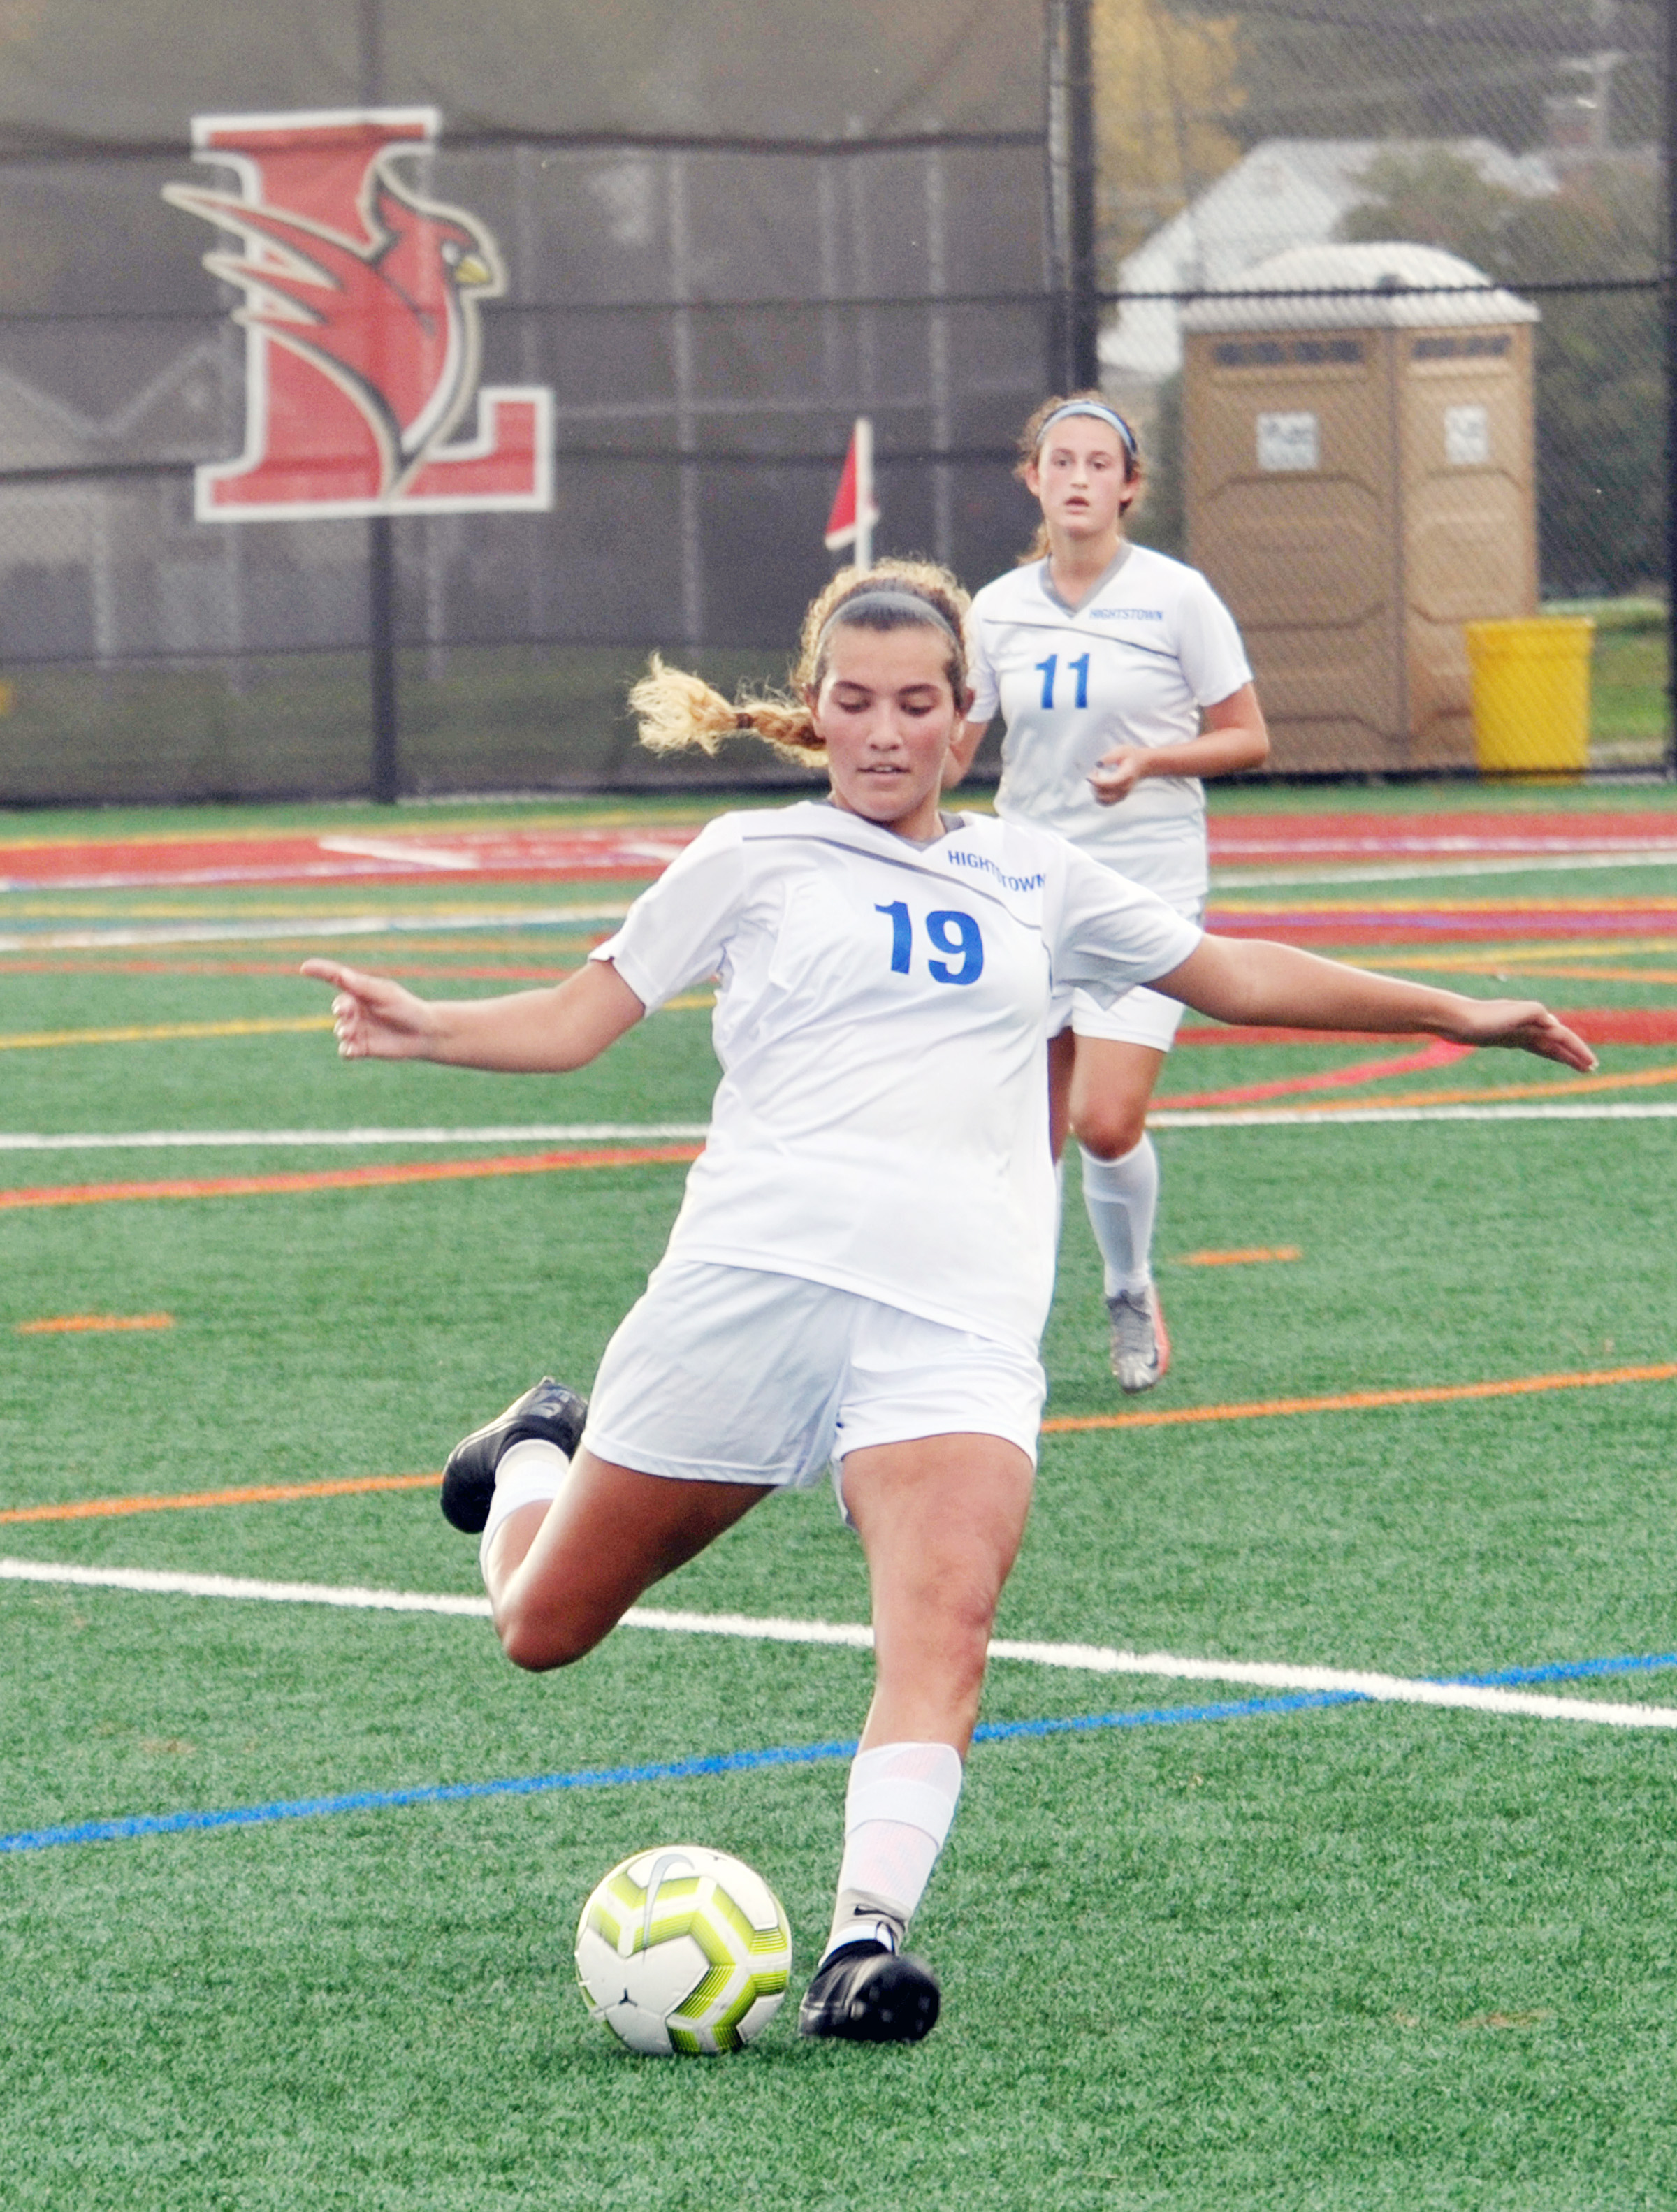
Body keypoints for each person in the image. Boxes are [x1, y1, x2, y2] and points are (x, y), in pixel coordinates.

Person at [302, 559, 1591, 2046]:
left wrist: (1457, 1007)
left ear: (965, 722)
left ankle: (866, 1939)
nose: (885, 730)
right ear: (818, 712)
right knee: (542, 1624)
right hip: (752, 1288)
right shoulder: (752, 854)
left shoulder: (1037, 874)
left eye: (919, 702)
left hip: (955, 1323)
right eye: (855, 701)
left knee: (947, 1621)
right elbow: (577, 1019)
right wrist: (427, 1027)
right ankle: (535, 1444)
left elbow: (1229, 969)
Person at [958, 393, 1270, 1393]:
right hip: (1028, 888)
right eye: (1062, 461)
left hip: (1145, 888)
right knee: (1021, 1135)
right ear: (1035, 480)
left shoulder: (1178, 597)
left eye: (1101, 463)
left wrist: (1155, 759)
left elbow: (1248, 736)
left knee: (1104, 1119)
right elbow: (956, 742)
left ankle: (1129, 1284)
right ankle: (998, 1334)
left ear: (1130, 487)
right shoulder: (996, 608)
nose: (1080, 477)